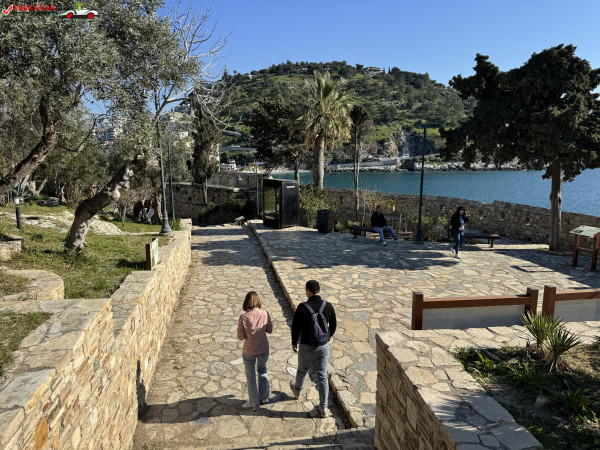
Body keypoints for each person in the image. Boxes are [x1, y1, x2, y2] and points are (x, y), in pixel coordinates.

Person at [290, 280, 337, 418]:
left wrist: (294, 342)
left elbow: (296, 327)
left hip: (306, 346)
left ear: (308, 291)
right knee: (322, 375)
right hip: (323, 346)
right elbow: (334, 325)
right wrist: (327, 337)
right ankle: (324, 407)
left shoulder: (303, 307)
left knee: (302, 370)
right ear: (318, 290)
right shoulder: (327, 306)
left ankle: (297, 391)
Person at [237, 291, 273, 411]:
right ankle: (264, 397)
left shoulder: (243, 317)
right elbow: (269, 330)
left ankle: (254, 403)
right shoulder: (265, 313)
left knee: (250, 375)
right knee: (262, 369)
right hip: (263, 348)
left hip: (249, 350)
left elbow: (240, 337)